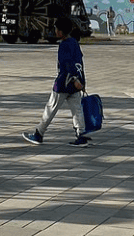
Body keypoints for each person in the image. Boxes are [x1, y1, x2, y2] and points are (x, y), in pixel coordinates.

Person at [23, 16, 89, 147]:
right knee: (77, 110)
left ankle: (39, 133)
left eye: (56, 29)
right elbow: (79, 63)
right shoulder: (75, 43)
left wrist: (74, 79)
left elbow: (67, 64)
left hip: (64, 83)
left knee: (51, 108)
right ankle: (81, 135)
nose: (55, 31)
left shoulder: (64, 45)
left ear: (61, 31)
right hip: (75, 85)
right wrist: (81, 81)